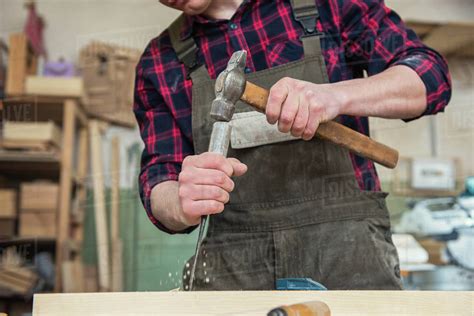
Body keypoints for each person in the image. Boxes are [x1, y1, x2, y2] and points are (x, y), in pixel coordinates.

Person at [134, 0, 451, 290]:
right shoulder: (159, 61)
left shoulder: (330, 6)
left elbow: (429, 77)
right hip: (232, 267)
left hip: (348, 254)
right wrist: (179, 200)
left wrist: (337, 95)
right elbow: (160, 177)